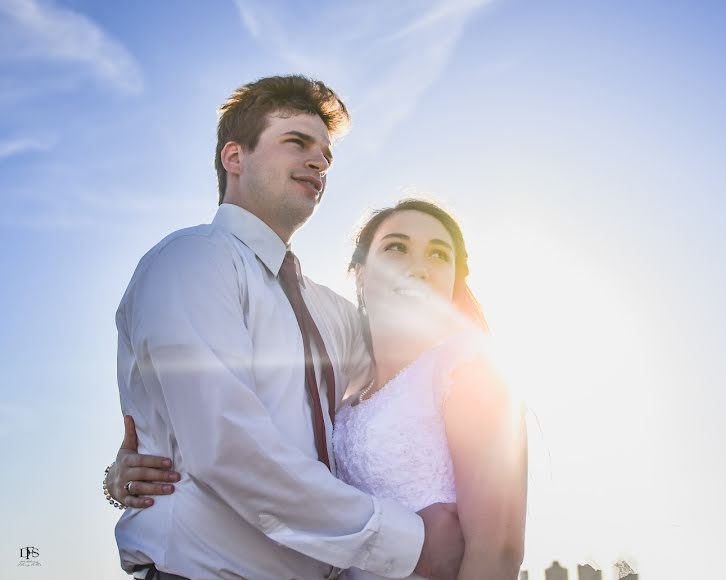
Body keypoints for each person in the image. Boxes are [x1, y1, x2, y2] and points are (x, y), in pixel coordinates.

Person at [106, 75, 464, 580]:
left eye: (325, 154)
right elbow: (226, 446)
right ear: (235, 158)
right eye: (296, 142)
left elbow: (404, 376)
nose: (318, 161)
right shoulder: (188, 262)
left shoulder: (330, 311)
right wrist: (411, 544)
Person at [108, 200, 528, 579]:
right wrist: (136, 461)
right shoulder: (346, 381)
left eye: (439, 254)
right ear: (360, 275)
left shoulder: (470, 370)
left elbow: (499, 550)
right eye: (396, 248)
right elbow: (233, 419)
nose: (419, 266)